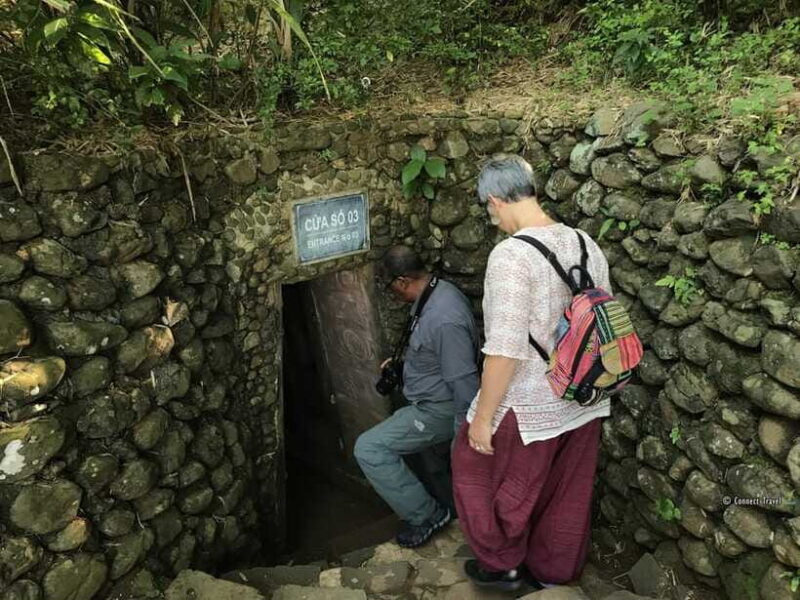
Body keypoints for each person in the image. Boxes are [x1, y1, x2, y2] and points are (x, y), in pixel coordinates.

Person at [452, 154, 613, 591]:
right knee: (566, 493)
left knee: (473, 468)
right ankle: (553, 574)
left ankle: (502, 564)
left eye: (489, 212)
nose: (493, 220)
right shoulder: (585, 243)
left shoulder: (510, 256)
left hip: (530, 404)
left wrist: (482, 420)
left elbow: (504, 350)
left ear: (494, 200)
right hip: (586, 397)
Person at [354, 245, 480, 548]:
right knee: (431, 463)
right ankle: (447, 503)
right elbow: (433, 350)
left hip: (439, 409)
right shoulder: (437, 292)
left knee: (369, 449)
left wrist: (463, 440)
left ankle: (426, 515)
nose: (394, 293)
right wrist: (405, 365)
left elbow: (464, 383)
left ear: (402, 281)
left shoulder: (445, 319)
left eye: (392, 287)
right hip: (428, 398)